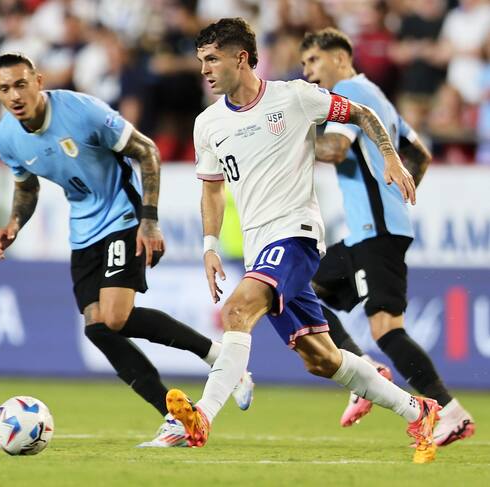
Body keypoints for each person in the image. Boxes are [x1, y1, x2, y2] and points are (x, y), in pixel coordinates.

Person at [164, 18, 438, 464]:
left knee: (236, 310)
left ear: (241, 57)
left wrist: (390, 157)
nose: (204, 70)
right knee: (322, 359)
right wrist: (209, 245)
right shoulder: (207, 123)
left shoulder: (294, 97)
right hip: (258, 246)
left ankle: (201, 418)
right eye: (201, 61)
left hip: (295, 234)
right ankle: (418, 409)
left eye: (211, 59)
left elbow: (362, 114)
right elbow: (211, 188)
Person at [0, 52, 254, 448]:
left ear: (38, 81)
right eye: (4, 89)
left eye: (20, 84)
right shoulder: (5, 137)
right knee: (98, 328)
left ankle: (215, 366)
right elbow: (27, 185)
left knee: (112, 317)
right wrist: (15, 222)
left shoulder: (81, 112)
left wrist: (149, 219)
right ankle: (181, 406)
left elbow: (146, 150)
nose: (14, 95)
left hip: (124, 216)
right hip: (83, 231)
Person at [300, 28, 475, 446]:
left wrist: (288, 140)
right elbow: (419, 154)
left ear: (340, 58)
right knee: (305, 283)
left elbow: (335, 150)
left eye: (313, 62)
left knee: (386, 328)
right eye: (305, 64)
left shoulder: (346, 90)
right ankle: (364, 370)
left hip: (375, 230)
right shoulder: (376, 94)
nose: (308, 73)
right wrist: (398, 190)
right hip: (373, 230)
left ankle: (449, 413)